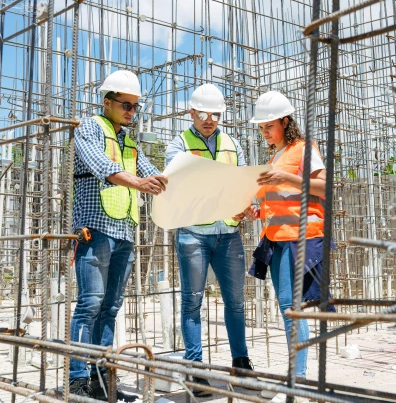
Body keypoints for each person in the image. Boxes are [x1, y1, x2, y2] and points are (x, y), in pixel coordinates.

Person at [70, 70, 168, 401]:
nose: (131, 112)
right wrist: (140, 183)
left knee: (110, 306)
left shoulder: (128, 140)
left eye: (135, 107)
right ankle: (78, 379)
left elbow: (154, 175)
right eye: (126, 105)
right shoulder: (89, 128)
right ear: (107, 101)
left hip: (124, 229)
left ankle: (101, 377)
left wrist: (188, 180)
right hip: (95, 228)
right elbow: (100, 166)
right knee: (91, 303)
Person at [165, 83, 253, 397]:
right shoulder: (179, 144)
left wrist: (246, 204)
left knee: (236, 304)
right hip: (192, 233)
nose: (210, 119)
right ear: (191, 112)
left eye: (216, 114)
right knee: (191, 303)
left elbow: (243, 182)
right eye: (204, 113)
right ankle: (195, 370)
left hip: (228, 234)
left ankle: (241, 364)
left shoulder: (233, 144)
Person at [247, 91, 335, 393]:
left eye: (268, 126)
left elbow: (324, 187)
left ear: (286, 121)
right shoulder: (274, 156)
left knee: (291, 308)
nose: (264, 132)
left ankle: (297, 381)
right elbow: (279, 201)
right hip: (276, 239)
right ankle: (296, 378)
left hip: (300, 237)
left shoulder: (303, 148)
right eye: (260, 128)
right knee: (288, 307)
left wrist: (286, 177)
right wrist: (255, 210)